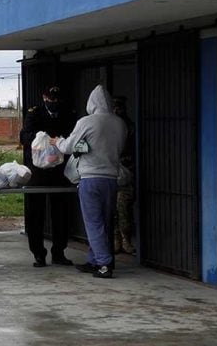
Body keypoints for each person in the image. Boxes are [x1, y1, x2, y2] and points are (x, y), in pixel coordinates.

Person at [52, 84, 128, 279]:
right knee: (106, 221)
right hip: (112, 179)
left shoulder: (87, 121)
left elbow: (69, 146)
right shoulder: (120, 123)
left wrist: (57, 142)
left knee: (93, 223)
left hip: (90, 179)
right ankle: (95, 260)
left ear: (91, 103)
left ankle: (103, 264)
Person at [19, 85, 78, 268]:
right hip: (38, 171)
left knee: (61, 214)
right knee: (35, 214)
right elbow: (25, 137)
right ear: (44, 97)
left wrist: (57, 143)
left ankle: (59, 251)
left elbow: (73, 137)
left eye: (56, 100)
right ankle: (38, 253)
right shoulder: (34, 113)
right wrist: (41, 141)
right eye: (51, 100)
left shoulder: (68, 113)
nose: (54, 103)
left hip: (60, 170)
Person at [112, 96, 136, 255]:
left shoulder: (129, 127)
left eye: (119, 107)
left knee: (123, 208)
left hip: (126, 172)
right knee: (112, 209)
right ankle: (116, 240)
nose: (116, 111)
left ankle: (126, 239)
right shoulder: (108, 126)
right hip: (110, 171)